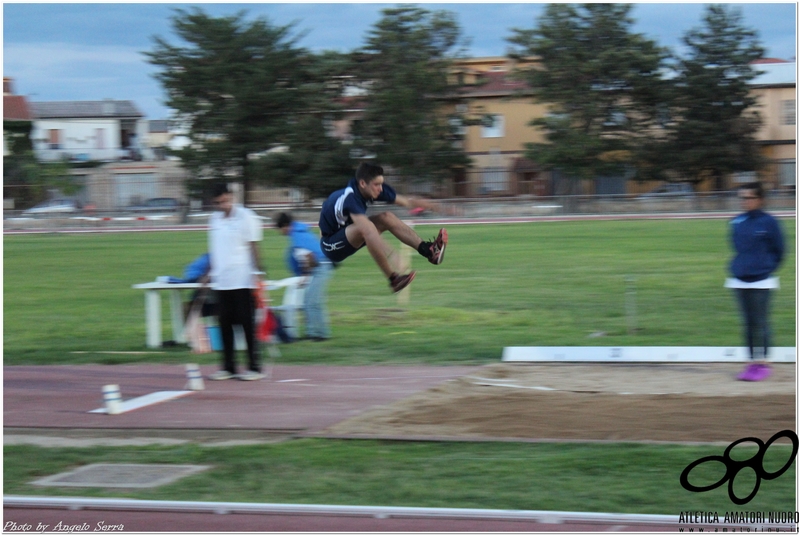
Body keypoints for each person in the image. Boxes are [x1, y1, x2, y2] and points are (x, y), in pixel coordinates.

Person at [318, 162, 449, 292]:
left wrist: (435, 206)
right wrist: (392, 254)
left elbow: (406, 202)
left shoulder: (372, 189)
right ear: (363, 183)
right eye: (377, 184)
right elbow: (367, 230)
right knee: (366, 227)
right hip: (330, 245)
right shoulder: (350, 198)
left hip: (348, 234)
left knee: (387, 217)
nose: (380, 188)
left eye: (381, 184)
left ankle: (430, 251)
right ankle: (394, 279)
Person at [724, 182, 785, 382]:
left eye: (748, 197)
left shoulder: (770, 222)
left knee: (761, 322)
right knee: (748, 323)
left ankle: (764, 363)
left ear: (759, 199)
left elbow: (780, 250)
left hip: (761, 280)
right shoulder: (736, 222)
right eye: (741, 198)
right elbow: (737, 248)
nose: (744, 201)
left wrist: (765, 268)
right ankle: (751, 362)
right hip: (740, 279)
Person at [205, 182, 266, 381]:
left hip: (243, 279)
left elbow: (253, 246)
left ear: (231, 196)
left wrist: (259, 272)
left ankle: (254, 367)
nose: (222, 205)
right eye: (218, 202)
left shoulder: (246, 217)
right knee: (224, 325)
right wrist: (209, 272)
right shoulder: (214, 219)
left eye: (225, 201)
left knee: (246, 325)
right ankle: (228, 367)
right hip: (221, 281)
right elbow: (216, 249)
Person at [276, 212, 334, 341]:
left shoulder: (297, 236)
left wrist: (305, 276)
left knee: (312, 301)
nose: (280, 232)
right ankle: (314, 332)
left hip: (321, 266)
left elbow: (310, 257)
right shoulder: (300, 231)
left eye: (280, 229)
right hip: (320, 266)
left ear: (285, 226)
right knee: (310, 301)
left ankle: (320, 334)